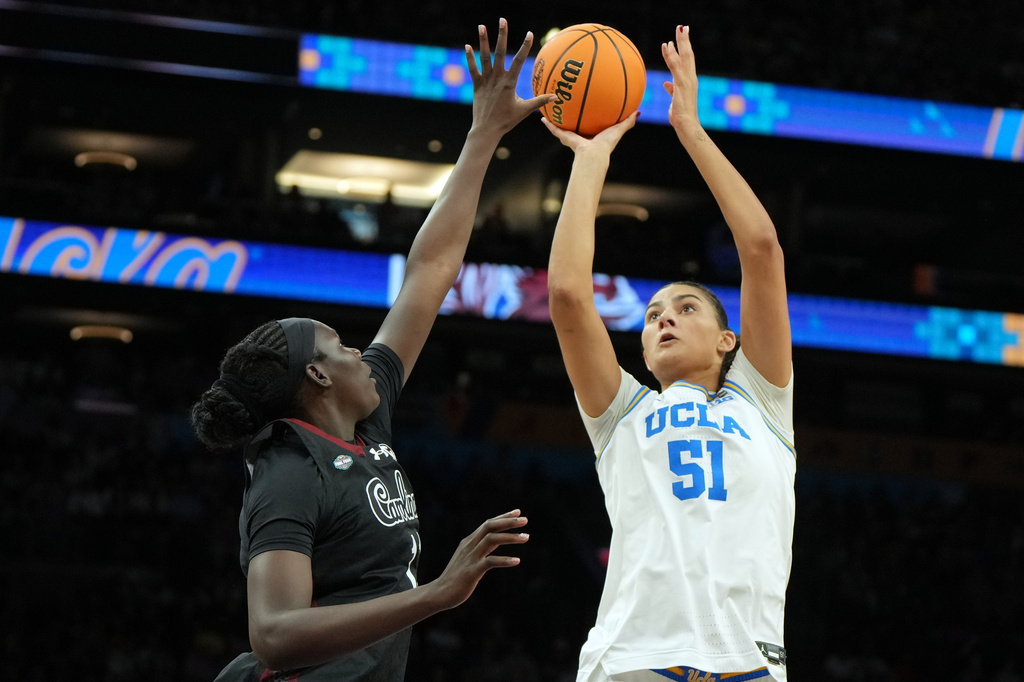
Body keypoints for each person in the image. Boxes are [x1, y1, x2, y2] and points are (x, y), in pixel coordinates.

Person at [190, 20, 554, 681]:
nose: (360, 350)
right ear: (317, 375)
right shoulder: (288, 471)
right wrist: (437, 594)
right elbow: (272, 634)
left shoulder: (367, 418)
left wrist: (483, 133)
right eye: (339, 343)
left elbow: (429, 272)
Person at [542, 25, 795, 682]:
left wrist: (690, 129)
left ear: (727, 340)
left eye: (685, 308)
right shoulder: (622, 413)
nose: (664, 320)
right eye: (653, 315)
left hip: (748, 664)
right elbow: (567, 295)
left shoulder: (764, 402)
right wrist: (591, 156)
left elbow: (762, 250)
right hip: (634, 660)